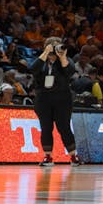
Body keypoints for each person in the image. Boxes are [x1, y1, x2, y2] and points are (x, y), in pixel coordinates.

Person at [31, 37, 81, 167]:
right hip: (43, 99)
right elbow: (33, 69)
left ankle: (73, 156)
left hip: (62, 99)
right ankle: (48, 156)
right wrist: (45, 53)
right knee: (46, 128)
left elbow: (69, 72)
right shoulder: (41, 60)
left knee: (64, 127)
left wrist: (62, 56)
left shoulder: (65, 60)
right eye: (51, 46)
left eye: (56, 45)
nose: (54, 49)